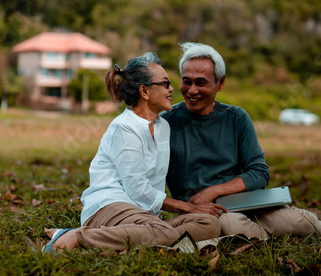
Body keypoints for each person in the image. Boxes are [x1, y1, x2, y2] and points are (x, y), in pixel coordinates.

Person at [43, 52, 221, 252]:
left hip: (145, 216)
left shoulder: (163, 126)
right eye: (164, 83)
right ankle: (77, 236)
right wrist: (188, 207)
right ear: (144, 91)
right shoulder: (125, 127)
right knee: (165, 232)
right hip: (110, 206)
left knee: (209, 224)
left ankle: (140, 237)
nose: (171, 88)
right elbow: (137, 189)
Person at [160, 42, 321, 239]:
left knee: (298, 222)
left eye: (201, 83)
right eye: (186, 81)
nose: (192, 90)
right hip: (205, 212)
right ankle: (265, 240)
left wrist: (214, 190)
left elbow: (259, 173)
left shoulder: (236, 118)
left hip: (245, 202)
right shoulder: (165, 123)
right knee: (235, 227)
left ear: (220, 83)